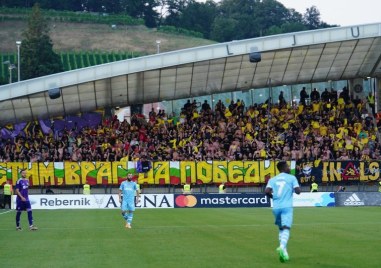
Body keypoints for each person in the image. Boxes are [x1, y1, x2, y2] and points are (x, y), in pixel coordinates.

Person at [265, 161, 301, 263]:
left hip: (276, 207)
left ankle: (284, 252)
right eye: (288, 166)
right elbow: (298, 191)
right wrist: (296, 190)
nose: (289, 168)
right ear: (284, 168)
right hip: (287, 207)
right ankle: (281, 246)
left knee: (281, 229)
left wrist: (274, 198)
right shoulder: (291, 178)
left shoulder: (273, 179)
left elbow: (267, 191)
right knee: (286, 228)